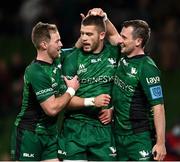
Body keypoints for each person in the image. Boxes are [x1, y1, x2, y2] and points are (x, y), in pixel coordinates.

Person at [10, 22, 79, 161]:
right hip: (29, 135)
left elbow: (77, 48)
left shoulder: (58, 59)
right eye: (57, 41)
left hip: (50, 135)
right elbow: (51, 109)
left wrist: (92, 21)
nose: (61, 44)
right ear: (44, 45)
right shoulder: (35, 71)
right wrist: (71, 90)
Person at [58, 9, 120, 161]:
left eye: (89, 34)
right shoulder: (72, 59)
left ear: (101, 35)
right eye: (82, 33)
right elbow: (63, 101)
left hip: (104, 130)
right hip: (74, 129)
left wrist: (104, 17)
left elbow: (117, 37)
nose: (84, 38)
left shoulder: (114, 54)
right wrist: (93, 100)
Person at [112, 19, 167, 161]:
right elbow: (113, 35)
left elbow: (158, 106)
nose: (120, 40)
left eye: (124, 37)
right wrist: (104, 18)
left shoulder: (147, 68)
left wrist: (161, 143)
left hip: (139, 137)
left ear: (138, 41)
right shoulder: (122, 58)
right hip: (117, 135)